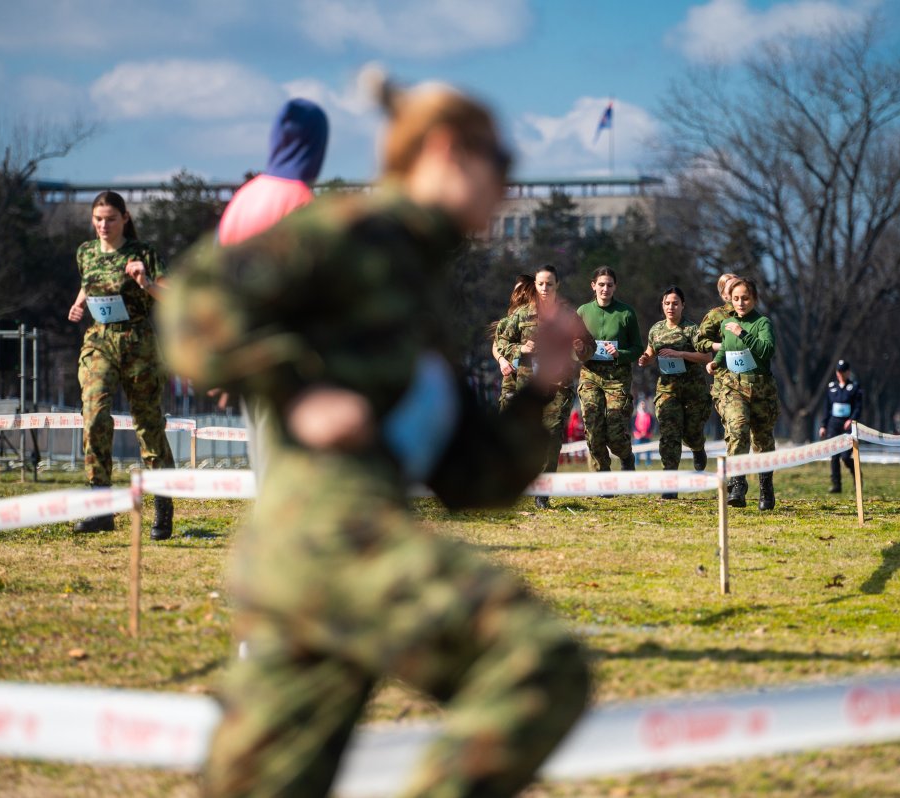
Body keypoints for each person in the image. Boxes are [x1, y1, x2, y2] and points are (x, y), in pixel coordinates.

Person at [160, 74, 590, 797]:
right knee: (537, 663)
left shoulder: (417, 287)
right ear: (447, 150)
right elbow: (194, 301)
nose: (507, 189)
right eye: (501, 164)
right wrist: (296, 390)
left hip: (315, 567)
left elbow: (475, 479)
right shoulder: (357, 231)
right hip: (329, 541)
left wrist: (542, 386)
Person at [217, 98, 329, 483]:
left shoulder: (244, 198)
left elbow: (218, 281)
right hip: (287, 355)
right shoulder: (300, 199)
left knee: (264, 463)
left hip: (247, 351)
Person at [67, 191, 176, 539]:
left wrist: (146, 283)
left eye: (110, 219)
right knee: (94, 415)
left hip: (137, 342)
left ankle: (162, 506)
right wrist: (78, 304)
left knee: (148, 423)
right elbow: (89, 281)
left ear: (125, 218)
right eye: (98, 219)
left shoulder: (144, 253)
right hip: (99, 341)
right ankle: (100, 507)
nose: (103, 225)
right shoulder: (85, 252)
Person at [497, 264, 594, 508]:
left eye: (549, 284)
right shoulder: (522, 315)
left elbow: (589, 346)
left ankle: (543, 493)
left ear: (557, 285)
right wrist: (520, 348)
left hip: (559, 387)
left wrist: (581, 349)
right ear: (535, 285)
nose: (544, 288)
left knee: (552, 437)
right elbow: (501, 343)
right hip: (528, 386)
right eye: (540, 284)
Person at [709, 276, 779, 511]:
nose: (740, 303)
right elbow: (726, 349)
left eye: (745, 298)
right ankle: (737, 484)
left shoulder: (762, 323)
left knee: (762, 440)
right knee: (737, 429)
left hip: (761, 388)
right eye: (736, 298)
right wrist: (716, 362)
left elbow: (767, 350)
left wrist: (743, 333)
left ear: (754, 299)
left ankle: (766, 488)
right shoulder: (726, 324)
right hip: (734, 387)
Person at [638, 285, 714, 497]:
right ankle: (670, 483)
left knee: (691, 434)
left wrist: (680, 354)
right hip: (667, 390)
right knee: (669, 434)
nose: (671, 307)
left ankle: (698, 448)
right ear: (662, 305)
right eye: (667, 303)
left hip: (693, 392)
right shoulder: (656, 329)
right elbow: (650, 352)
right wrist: (645, 359)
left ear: (683, 305)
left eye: (675, 303)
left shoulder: (691, 329)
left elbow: (706, 357)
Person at [576, 266, 643, 473]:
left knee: (615, 433)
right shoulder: (582, 312)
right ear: (593, 286)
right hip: (590, 375)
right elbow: (571, 347)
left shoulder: (626, 313)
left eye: (609, 285)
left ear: (615, 287)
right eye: (601, 284)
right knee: (593, 429)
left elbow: (638, 348)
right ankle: (602, 476)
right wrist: (578, 350)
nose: (605, 289)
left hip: (617, 377)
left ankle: (626, 456)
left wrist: (619, 353)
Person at [695, 272, 739, 421]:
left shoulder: (753, 316)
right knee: (736, 426)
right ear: (724, 295)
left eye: (738, 285)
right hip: (727, 380)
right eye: (731, 287)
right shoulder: (716, 315)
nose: (736, 289)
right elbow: (699, 342)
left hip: (752, 380)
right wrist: (721, 346)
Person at [491, 273, 536, 412]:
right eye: (516, 290)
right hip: (511, 380)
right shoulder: (507, 321)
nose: (517, 294)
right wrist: (502, 361)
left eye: (521, 289)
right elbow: (496, 346)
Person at [818, 359, 863, 493]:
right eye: (839, 371)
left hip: (848, 426)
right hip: (834, 425)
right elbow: (827, 408)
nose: (841, 374)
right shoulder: (832, 387)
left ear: (848, 372)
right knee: (834, 456)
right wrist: (823, 425)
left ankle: (857, 476)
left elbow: (858, 407)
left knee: (845, 457)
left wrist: (852, 419)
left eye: (843, 371)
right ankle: (836, 485)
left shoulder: (854, 387)